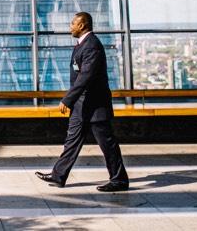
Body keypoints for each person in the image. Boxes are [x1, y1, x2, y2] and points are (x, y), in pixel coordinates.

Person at [36, 12, 129, 192]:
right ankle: (58, 175)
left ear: (83, 25)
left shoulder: (92, 46)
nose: (70, 27)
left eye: (73, 23)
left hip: (95, 106)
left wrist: (67, 99)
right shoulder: (82, 45)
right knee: (71, 141)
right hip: (81, 105)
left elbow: (85, 77)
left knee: (107, 144)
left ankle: (119, 180)